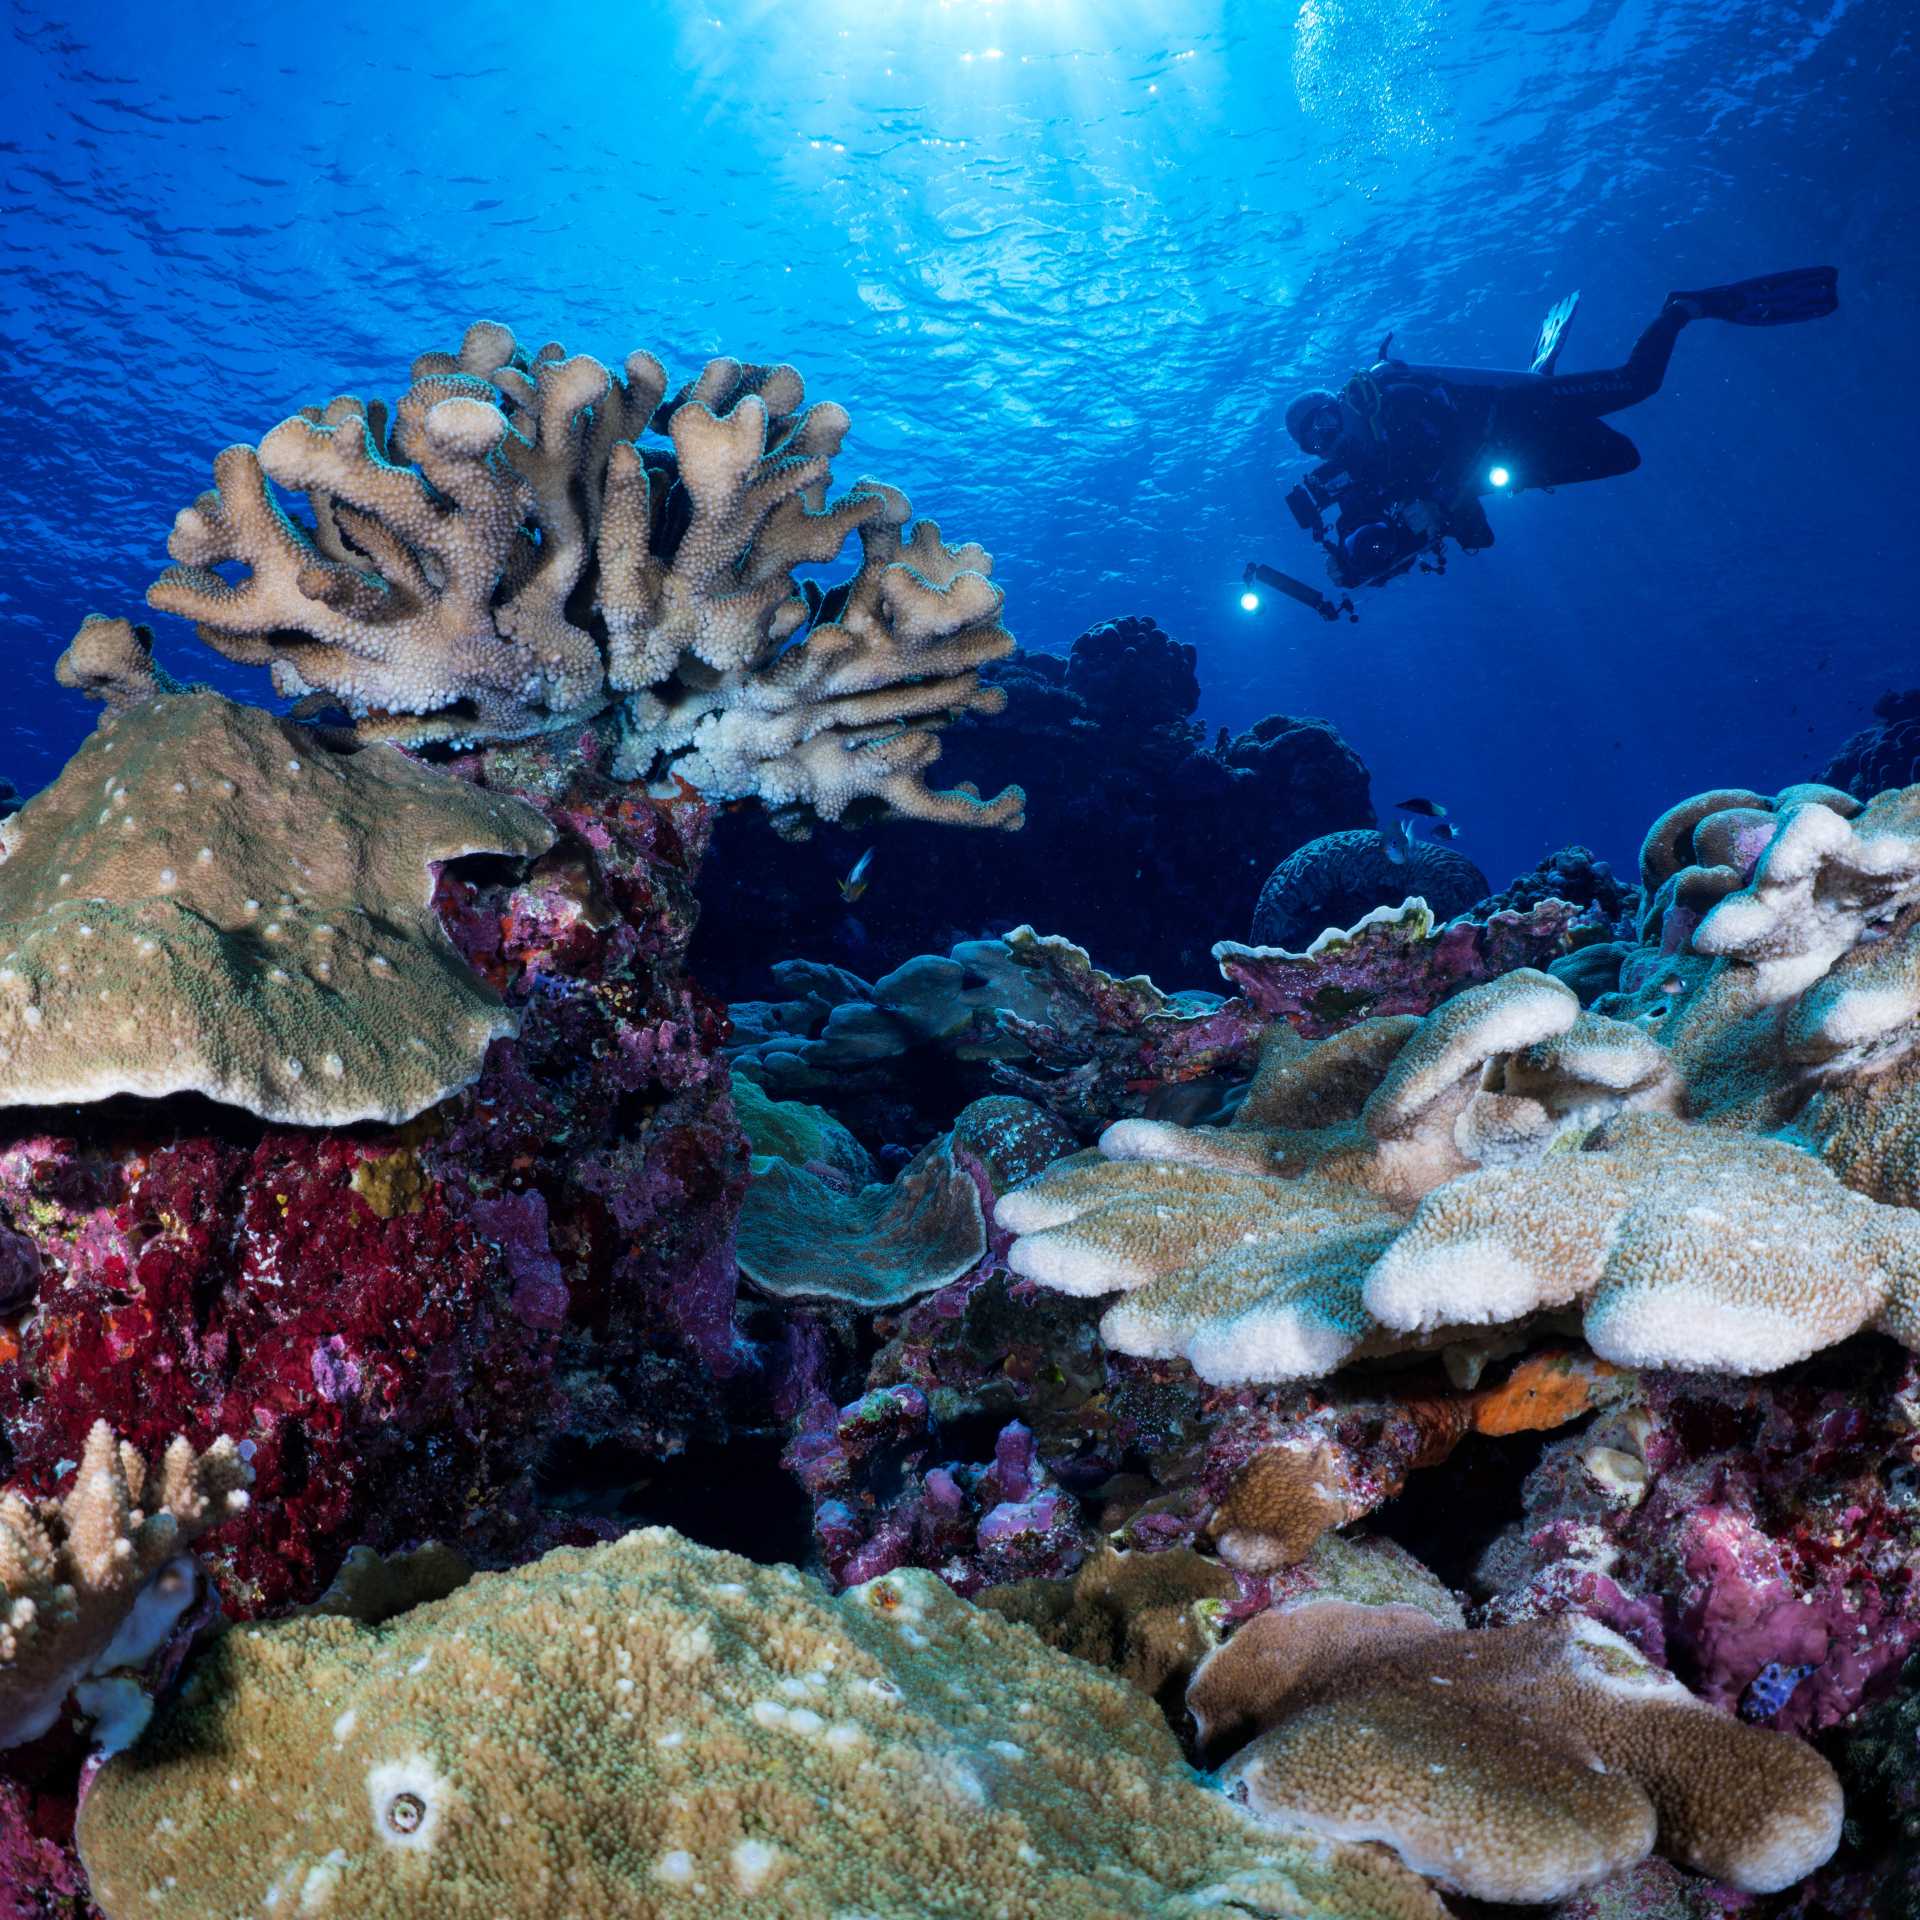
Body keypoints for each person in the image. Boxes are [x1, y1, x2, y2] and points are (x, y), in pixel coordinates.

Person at [1280, 266, 1838, 589]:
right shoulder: (1358, 472)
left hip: (1524, 412)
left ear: (1343, 405)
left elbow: (1457, 444)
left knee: (1635, 383)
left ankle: (1681, 309)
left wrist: (1440, 499)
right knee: (1625, 457)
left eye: (1327, 421)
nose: (1329, 437)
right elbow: (1394, 533)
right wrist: (1351, 565)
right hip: (1520, 460)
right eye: (1316, 440)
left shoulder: (1395, 401)